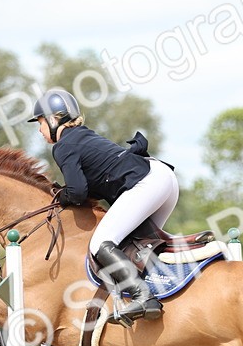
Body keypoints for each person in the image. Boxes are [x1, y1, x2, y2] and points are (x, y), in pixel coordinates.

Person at [29, 87, 179, 324]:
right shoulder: (84, 136)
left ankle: (143, 296)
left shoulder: (64, 145)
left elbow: (77, 193)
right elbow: (90, 189)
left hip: (147, 182)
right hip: (164, 178)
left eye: (40, 123)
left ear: (54, 119)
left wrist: (59, 195)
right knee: (137, 244)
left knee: (101, 243)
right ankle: (167, 289)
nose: (39, 130)